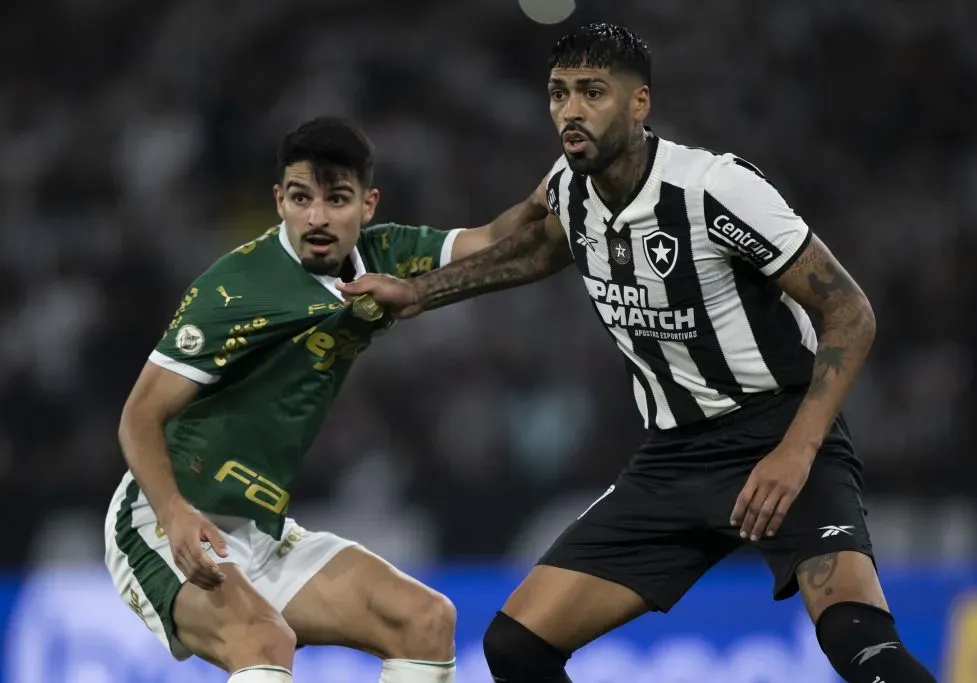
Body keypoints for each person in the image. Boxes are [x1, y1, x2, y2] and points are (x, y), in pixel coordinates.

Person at [339, 23, 938, 683]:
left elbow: (850, 313)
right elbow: (537, 245)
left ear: (639, 103)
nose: (570, 110)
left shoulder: (714, 189)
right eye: (558, 93)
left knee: (860, 641)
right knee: (516, 644)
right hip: (673, 458)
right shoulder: (568, 186)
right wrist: (420, 292)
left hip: (779, 430)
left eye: (592, 92)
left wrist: (796, 453)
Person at [104, 116, 519, 683]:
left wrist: (555, 189)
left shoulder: (383, 256)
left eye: (337, 199)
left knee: (423, 619)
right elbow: (138, 416)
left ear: (367, 205)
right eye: (301, 198)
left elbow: (493, 241)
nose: (317, 217)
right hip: (162, 517)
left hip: (259, 531)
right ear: (279, 201)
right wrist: (175, 513)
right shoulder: (236, 288)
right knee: (263, 639)